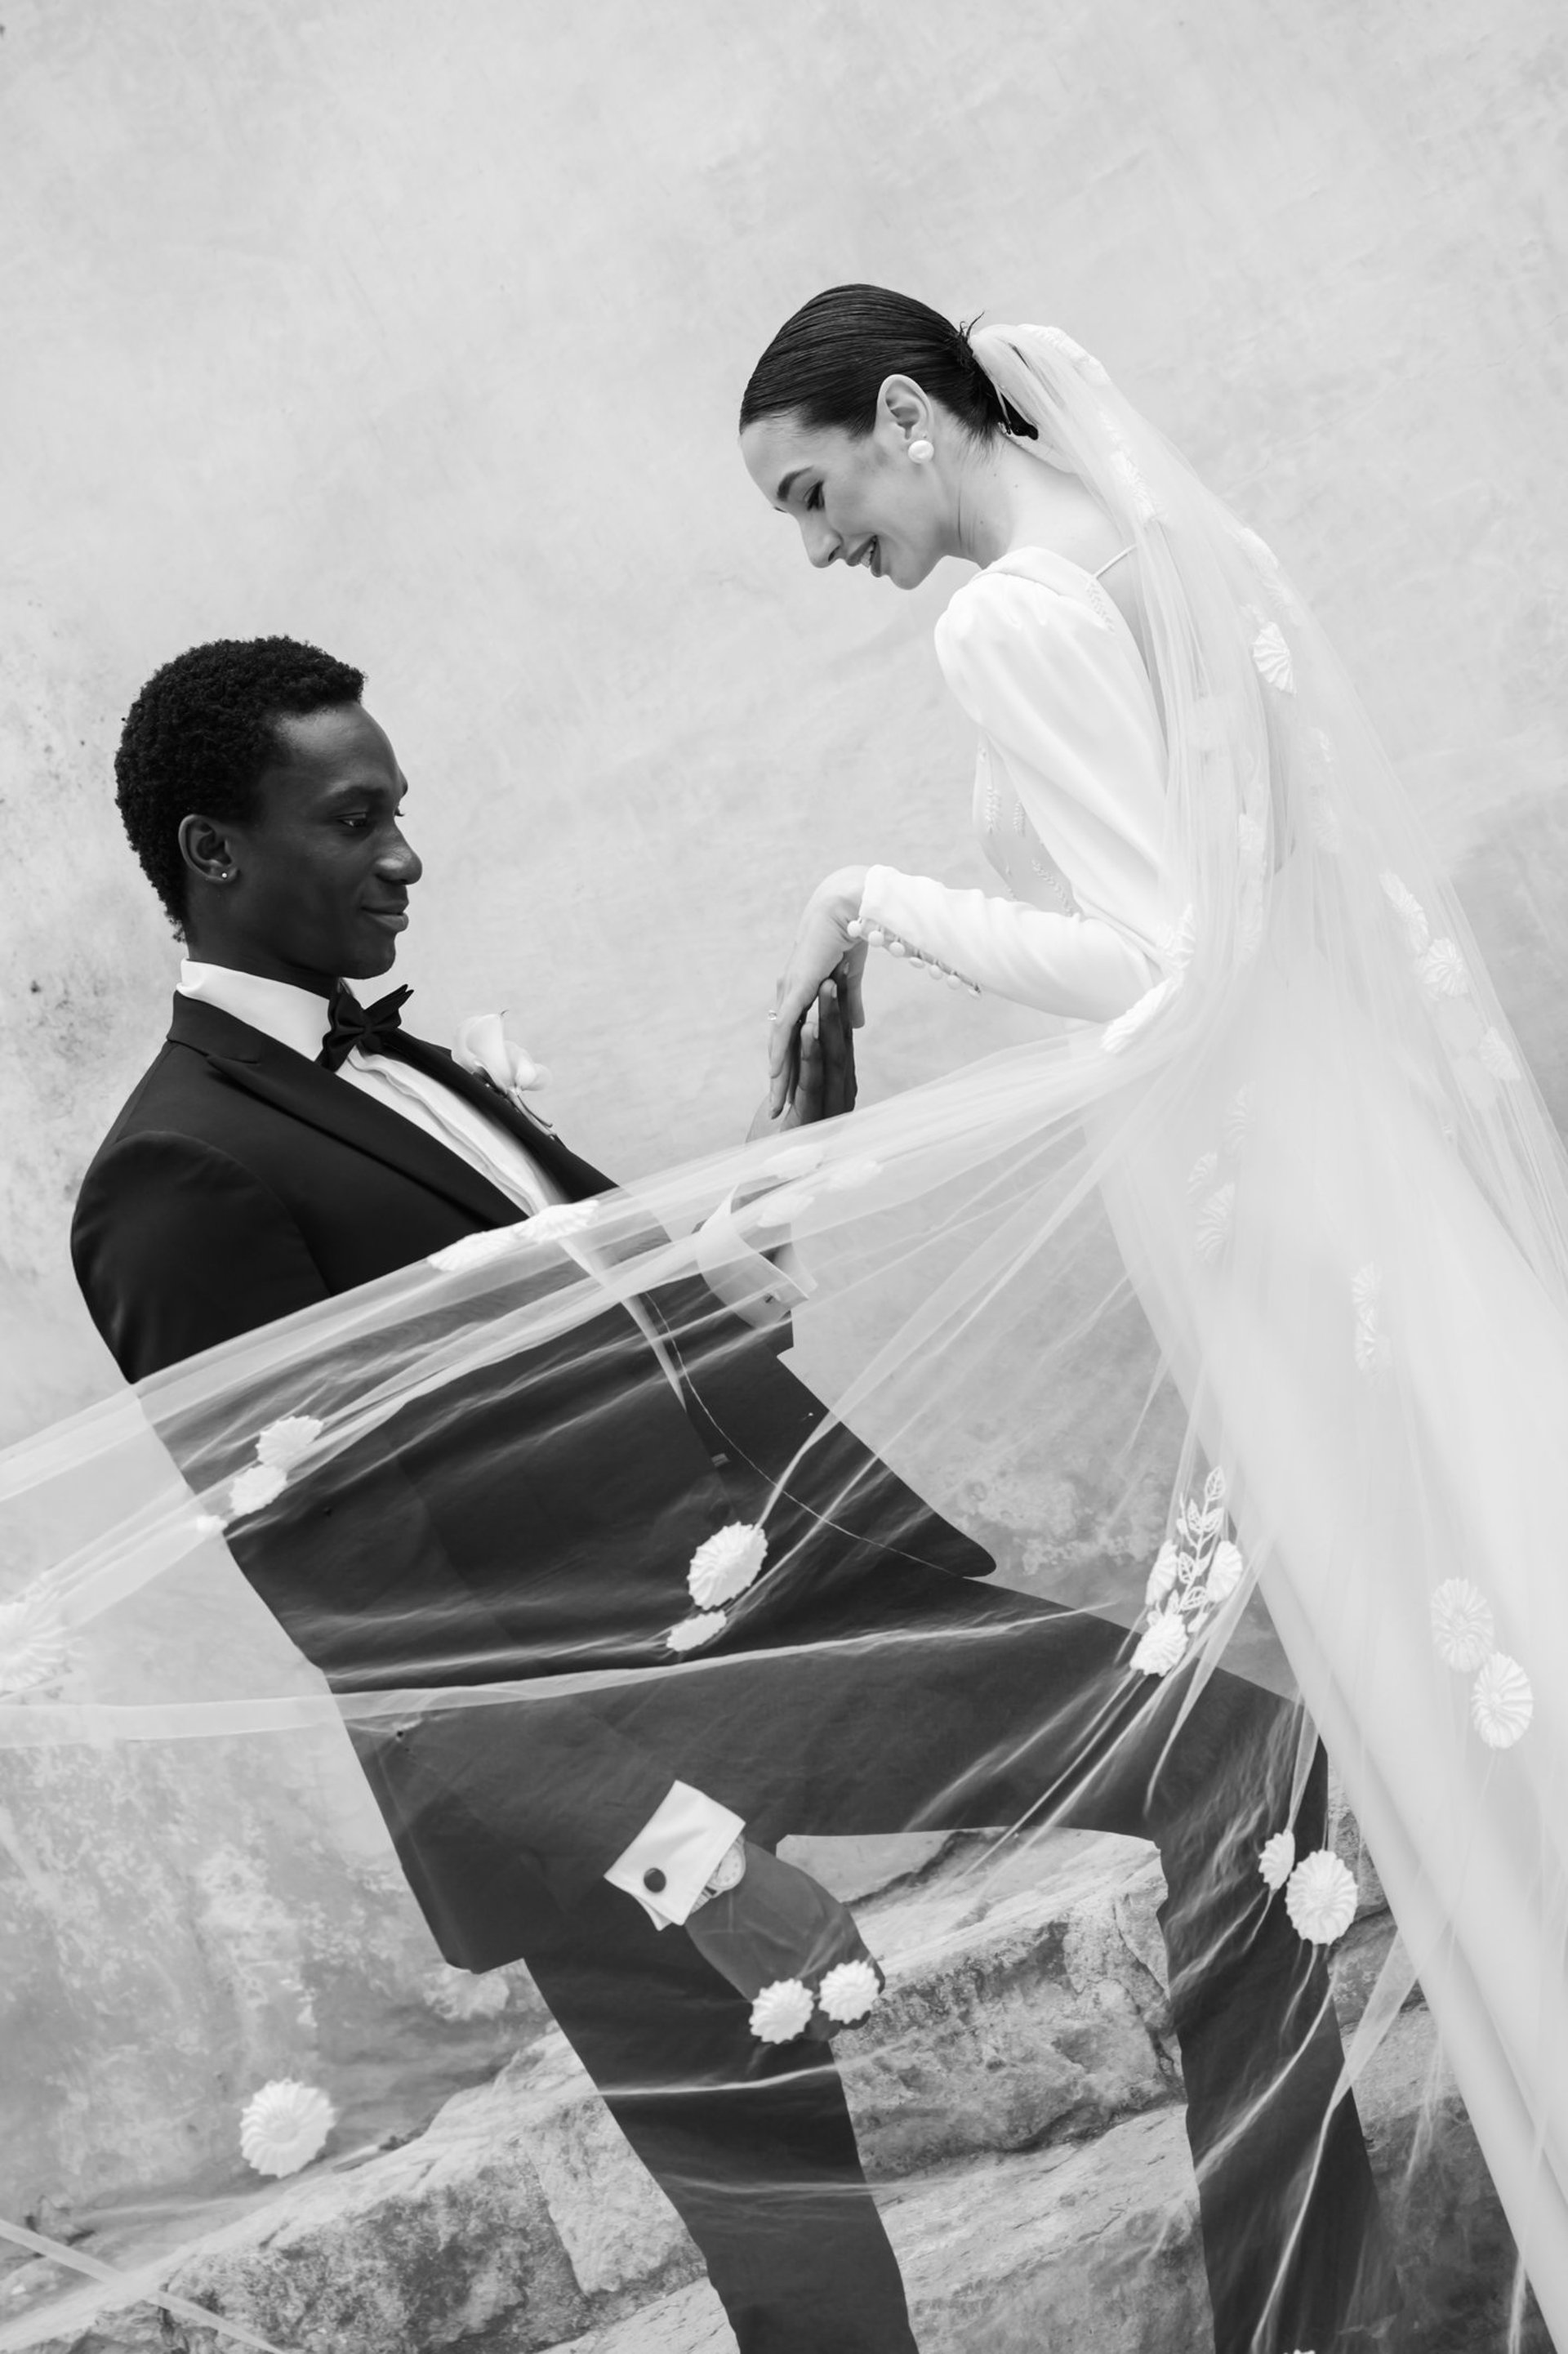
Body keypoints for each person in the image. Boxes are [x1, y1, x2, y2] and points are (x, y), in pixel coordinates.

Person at [60, 636, 1388, 2354]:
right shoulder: (178, 1178)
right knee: (811, 2279)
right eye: (357, 816)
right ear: (212, 857)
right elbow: (360, 1611)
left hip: (796, 1624)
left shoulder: (420, 1070)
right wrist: (688, 1862)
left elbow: (671, 1335)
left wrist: (793, 1139)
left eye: (401, 811)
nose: (406, 854)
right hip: (586, 1781)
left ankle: (1308, 2323)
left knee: (1237, 1749)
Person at [737, 286, 1568, 2344]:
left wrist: (875, 897)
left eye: (815, 488)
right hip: (1356, 1156)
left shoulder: (1006, 615)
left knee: (1447, 1656)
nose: (819, 544)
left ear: (910, 414)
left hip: (1271, 1204)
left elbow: (1156, 953)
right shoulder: (1176, 550)